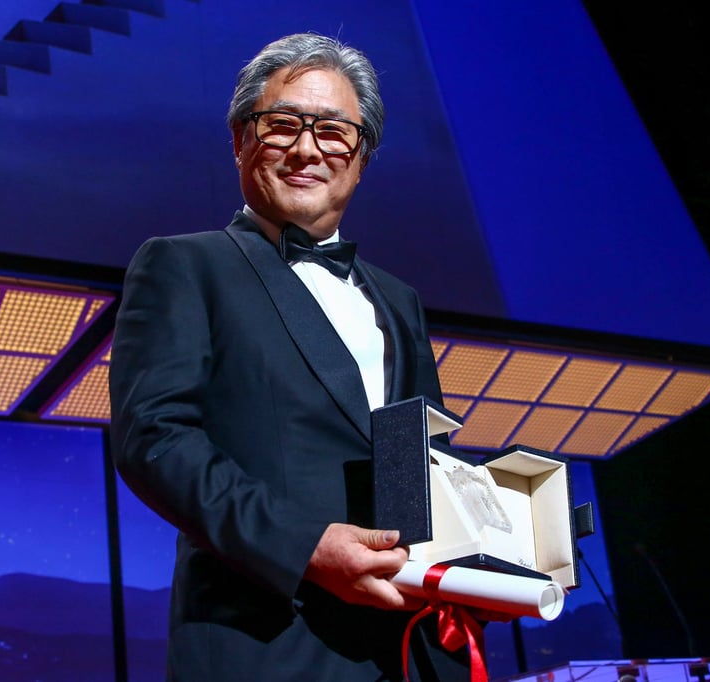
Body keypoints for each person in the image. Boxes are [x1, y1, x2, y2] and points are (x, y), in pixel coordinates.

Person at [109, 33, 470, 681]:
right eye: (282, 125)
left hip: (409, 643)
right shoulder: (184, 264)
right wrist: (305, 547)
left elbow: (423, 461)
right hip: (268, 641)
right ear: (241, 140)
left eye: (334, 131)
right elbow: (154, 439)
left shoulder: (398, 300)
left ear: (362, 158)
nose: (307, 149)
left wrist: (482, 563)